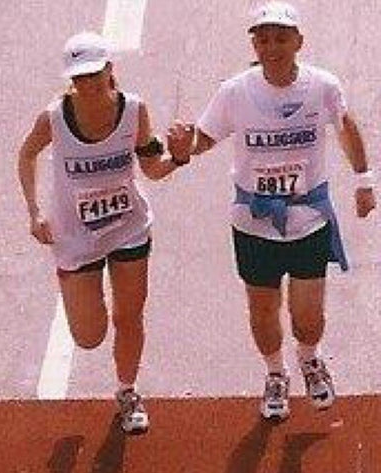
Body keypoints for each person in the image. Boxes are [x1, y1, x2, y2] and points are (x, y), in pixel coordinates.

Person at [167, 1, 376, 420]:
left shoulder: (322, 86)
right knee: (262, 310)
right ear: (255, 45)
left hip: (308, 218)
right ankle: (275, 373)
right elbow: (204, 138)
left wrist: (365, 180)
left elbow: (346, 126)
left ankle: (310, 360)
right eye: (263, 39)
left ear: (298, 42)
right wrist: (182, 149)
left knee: (308, 314)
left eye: (281, 38)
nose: (272, 46)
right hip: (253, 223)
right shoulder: (235, 92)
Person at [18, 31, 189, 433]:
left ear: (110, 70)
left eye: (95, 75)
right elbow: (26, 154)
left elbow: (152, 168)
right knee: (89, 336)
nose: (88, 85)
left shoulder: (134, 111)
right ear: (70, 81)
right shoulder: (55, 118)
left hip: (128, 227)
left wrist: (179, 157)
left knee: (129, 316)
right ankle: (77, 289)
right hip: (77, 237)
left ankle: (128, 392)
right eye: (79, 78)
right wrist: (34, 212)